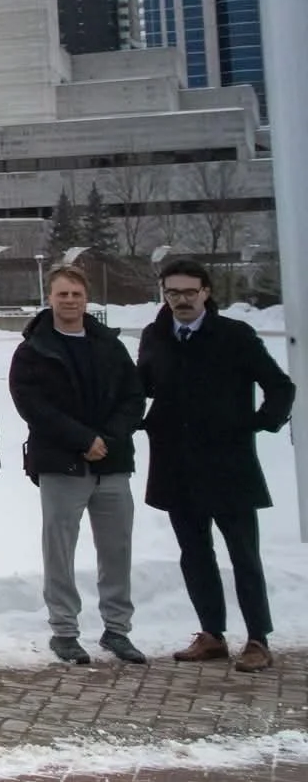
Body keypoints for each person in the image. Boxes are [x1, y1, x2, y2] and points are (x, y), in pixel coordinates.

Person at [138, 257, 295, 673]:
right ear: (163, 293)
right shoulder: (155, 337)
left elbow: (280, 386)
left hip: (229, 467)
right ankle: (211, 635)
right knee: (194, 554)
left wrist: (258, 424)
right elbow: (142, 387)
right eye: (173, 292)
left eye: (190, 292)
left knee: (244, 555)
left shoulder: (234, 335)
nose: (182, 300)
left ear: (206, 291)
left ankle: (258, 639)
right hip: (176, 466)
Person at [9, 264, 147, 666]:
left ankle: (117, 629)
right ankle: (64, 630)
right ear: (48, 298)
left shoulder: (108, 344)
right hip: (61, 464)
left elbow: (132, 396)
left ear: (87, 299)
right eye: (62, 294)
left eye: (76, 294)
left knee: (117, 549)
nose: (69, 301)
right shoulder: (34, 348)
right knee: (60, 550)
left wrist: (110, 438)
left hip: (113, 463)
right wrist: (82, 440)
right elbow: (31, 405)